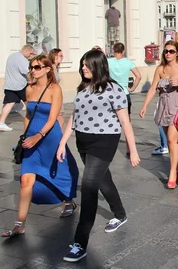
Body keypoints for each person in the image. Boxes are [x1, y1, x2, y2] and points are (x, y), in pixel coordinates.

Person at [57, 49, 140, 262]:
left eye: (87, 65)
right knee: (103, 181)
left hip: (104, 142)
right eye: (82, 65)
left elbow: (125, 122)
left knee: (89, 186)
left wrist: (133, 150)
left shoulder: (114, 90)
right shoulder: (82, 89)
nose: (83, 68)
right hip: (83, 142)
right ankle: (120, 214)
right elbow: (73, 118)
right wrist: (62, 143)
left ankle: (80, 243)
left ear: (99, 66)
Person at [1, 54, 78, 237]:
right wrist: (25, 136)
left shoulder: (55, 89)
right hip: (32, 137)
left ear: (47, 69)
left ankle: (68, 201)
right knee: (26, 180)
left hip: (49, 136)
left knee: (59, 171)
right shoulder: (28, 89)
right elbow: (28, 114)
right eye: (32, 67)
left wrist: (39, 135)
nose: (33, 70)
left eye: (37, 67)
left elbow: (53, 118)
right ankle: (20, 224)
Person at [139, 40, 178, 189]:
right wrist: (145, 105)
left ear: (177, 53)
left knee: (171, 139)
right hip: (163, 106)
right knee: (169, 142)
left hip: (176, 106)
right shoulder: (160, 69)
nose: (168, 54)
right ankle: (177, 168)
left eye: (171, 51)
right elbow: (152, 89)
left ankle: (173, 173)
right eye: (166, 51)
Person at [0, 45, 35, 132]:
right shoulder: (22, 59)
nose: (31, 55)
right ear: (26, 50)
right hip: (20, 85)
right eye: (30, 53)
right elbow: (27, 72)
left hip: (9, 85)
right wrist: (31, 81)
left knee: (9, 103)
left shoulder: (12, 56)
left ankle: (1, 123)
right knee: (29, 101)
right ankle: (33, 120)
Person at [48, 48, 65, 127]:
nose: (63, 57)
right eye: (60, 55)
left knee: (59, 118)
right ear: (54, 56)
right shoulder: (51, 69)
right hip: (54, 97)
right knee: (59, 118)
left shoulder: (55, 68)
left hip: (57, 96)